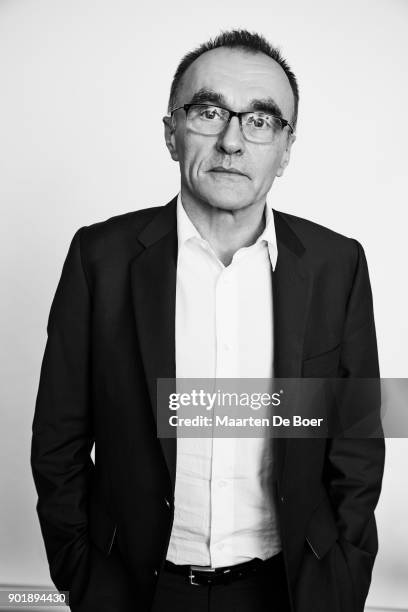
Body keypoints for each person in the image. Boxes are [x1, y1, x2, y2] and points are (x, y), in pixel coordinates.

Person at [31, 29, 385, 612]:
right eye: (209, 111)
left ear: (287, 149)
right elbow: (58, 438)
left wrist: (343, 575)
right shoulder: (101, 259)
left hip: (293, 590)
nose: (232, 142)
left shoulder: (337, 264)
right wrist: (83, 574)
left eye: (262, 121)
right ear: (171, 132)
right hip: (137, 590)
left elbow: (359, 439)